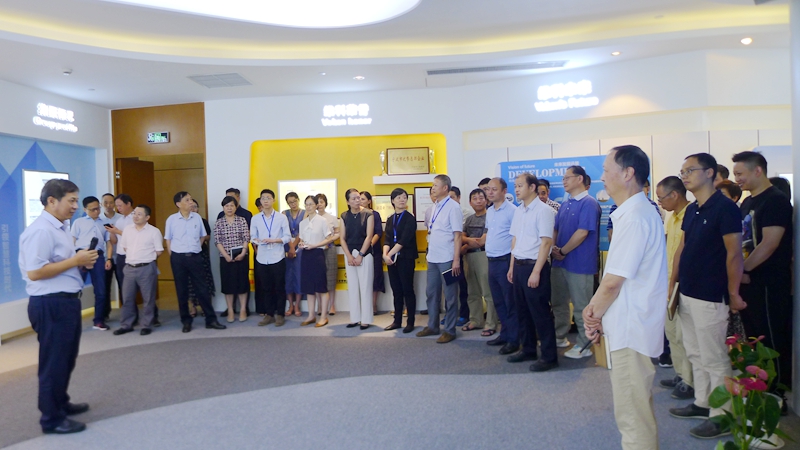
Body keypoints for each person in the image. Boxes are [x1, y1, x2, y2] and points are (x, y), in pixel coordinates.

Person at [582, 145, 667, 450]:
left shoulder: (634, 218)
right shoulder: (634, 213)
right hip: (630, 324)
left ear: (628, 173)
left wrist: (591, 314)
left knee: (632, 415)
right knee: (634, 408)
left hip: (632, 328)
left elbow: (612, 283)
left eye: (607, 170)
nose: (602, 177)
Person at [668, 153, 745, 439]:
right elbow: (683, 247)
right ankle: (703, 402)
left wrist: (734, 292)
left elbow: (734, 253)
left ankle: (723, 415)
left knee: (714, 357)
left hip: (711, 294)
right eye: (683, 171)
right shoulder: (692, 209)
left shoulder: (725, 208)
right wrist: (673, 282)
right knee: (695, 352)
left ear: (710, 172)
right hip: (687, 291)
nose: (685, 176)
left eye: (690, 170)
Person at [20, 179, 98, 435]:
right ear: (52, 201)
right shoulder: (41, 231)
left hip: (65, 302)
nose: (76, 206)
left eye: (76, 200)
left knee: (65, 359)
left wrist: (79, 261)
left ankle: (60, 403)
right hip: (50, 304)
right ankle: (51, 419)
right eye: (71, 200)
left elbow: (58, 263)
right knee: (53, 363)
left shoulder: (60, 227)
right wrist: (75, 260)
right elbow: (35, 272)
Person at [734, 151, 793, 394]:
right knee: (753, 339)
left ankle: (776, 394)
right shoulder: (747, 202)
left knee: (771, 338)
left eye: (740, 173)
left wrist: (744, 268)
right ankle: (758, 391)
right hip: (748, 282)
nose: (737, 179)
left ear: (757, 170)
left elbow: (769, 243)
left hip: (769, 283)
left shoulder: (776, 200)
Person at [508, 172, 558, 372]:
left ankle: (549, 356)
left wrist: (536, 271)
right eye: (515, 186)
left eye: (520, 185)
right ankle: (528, 349)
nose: (517, 189)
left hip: (535, 266)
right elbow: (515, 240)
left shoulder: (544, 211)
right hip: (519, 266)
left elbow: (546, 243)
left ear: (532, 187)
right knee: (522, 311)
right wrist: (511, 267)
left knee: (540, 313)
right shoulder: (519, 210)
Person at [550, 165, 601, 358]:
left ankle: (584, 344)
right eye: (563, 178)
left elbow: (582, 233)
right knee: (558, 303)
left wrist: (562, 250)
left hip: (580, 264)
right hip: (559, 263)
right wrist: (554, 248)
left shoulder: (589, 203)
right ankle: (559, 336)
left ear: (580, 179)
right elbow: (555, 228)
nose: (564, 181)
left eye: (567, 177)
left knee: (582, 306)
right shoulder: (565, 204)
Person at [654, 176, 695, 401]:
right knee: (671, 333)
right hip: (668, 283)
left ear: (675, 195)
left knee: (683, 335)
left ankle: (690, 382)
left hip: (682, 285)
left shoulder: (691, 215)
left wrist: (673, 282)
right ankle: (680, 374)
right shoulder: (672, 217)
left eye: (661, 198)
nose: (659, 202)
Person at [165, 191, 227, 333]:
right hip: (178, 258)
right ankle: (186, 321)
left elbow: (203, 236)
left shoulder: (197, 218)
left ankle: (211, 320)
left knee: (202, 289)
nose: (191, 202)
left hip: (195, 257)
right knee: (182, 290)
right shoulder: (172, 220)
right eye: (187, 200)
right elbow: (168, 239)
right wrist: (172, 255)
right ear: (178, 204)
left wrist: (196, 248)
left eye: (191, 199)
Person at [417, 175, 463, 343]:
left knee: (450, 296)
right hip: (433, 258)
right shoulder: (435, 206)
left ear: (445, 188)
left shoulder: (453, 207)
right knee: (431, 293)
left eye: (436, 185)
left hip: (447, 258)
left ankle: (450, 330)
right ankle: (433, 325)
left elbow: (458, 236)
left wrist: (456, 260)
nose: (433, 188)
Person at [113, 205, 163, 336]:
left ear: (147, 217)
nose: (135, 216)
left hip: (146, 268)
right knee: (127, 298)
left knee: (148, 298)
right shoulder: (127, 230)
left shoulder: (154, 231)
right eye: (134, 213)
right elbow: (124, 247)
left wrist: (146, 258)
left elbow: (159, 251)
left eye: (139, 214)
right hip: (129, 268)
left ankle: (146, 325)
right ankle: (126, 325)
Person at [484, 177, 519, 354]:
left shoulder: (513, 211)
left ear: (504, 191)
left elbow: (516, 239)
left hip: (505, 261)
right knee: (498, 301)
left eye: (494, 189)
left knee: (510, 302)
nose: (490, 192)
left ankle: (514, 339)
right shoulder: (490, 211)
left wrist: (512, 266)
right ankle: (505, 334)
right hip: (491, 261)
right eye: (488, 189)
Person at [71, 196, 113, 331]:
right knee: (75, 289)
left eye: (98, 208)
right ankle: (71, 320)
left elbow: (109, 243)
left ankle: (99, 320)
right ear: (85, 209)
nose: (96, 211)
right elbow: (72, 241)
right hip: (81, 255)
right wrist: (74, 258)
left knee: (101, 290)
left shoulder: (105, 223)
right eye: (93, 209)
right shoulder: (78, 222)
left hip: (98, 257)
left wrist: (109, 259)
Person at [250, 189, 291, 326]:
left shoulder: (281, 217)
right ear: (260, 201)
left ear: (273, 200)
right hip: (262, 257)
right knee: (265, 287)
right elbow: (252, 237)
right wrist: (256, 240)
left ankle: (280, 314)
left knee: (279, 287)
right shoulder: (255, 218)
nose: (266, 200)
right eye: (263, 198)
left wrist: (275, 240)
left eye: (268, 198)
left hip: (277, 256)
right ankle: (269, 314)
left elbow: (287, 237)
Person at [460, 188, 497, 335]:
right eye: (474, 198)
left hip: (484, 255)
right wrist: (469, 241)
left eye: (481, 198)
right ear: (470, 202)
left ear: (486, 200)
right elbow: (462, 236)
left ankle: (491, 323)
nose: (478, 201)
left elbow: (483, 241)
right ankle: (476, 320)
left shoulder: (490, 216)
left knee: (488, 292)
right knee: (472, 291)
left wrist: (467, 243)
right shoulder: (469, 219)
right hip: (469, 257)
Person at [382, 188, 418, 333]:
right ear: (392, 201)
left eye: (404, 197)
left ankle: (410, 322)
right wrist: (385, 254)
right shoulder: (390, 219)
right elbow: (387, 239)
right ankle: (397, 321)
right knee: (396, 290)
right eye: (398, 197)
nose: (402, 200)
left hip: (406, 258)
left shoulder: (410, 218)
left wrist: (389, 254)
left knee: (407, 289)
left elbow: (404, 239)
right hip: (392, 260)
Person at [341, 188, 375, 329]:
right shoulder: (344, 216)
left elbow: (369, 236)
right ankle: (354, 318)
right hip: (349, 254)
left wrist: (360, 255)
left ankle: (366, 319)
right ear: (348, 201)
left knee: (365, 287)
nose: (357, 200)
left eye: (358, 198)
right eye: (354, 198)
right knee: (353, 287)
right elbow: (342, 238)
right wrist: (349, 256)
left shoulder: (368, 214)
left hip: (365, 254)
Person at [299, 195, 335, 327]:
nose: (308, 207)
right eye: (306, 204)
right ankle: (311, 315)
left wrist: (315, 245)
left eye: (311, 204)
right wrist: (301, 244)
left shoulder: (322, 220)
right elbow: (302, 239)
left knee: (321, 286)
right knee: (309, 287)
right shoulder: (303, 223)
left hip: (318, 254)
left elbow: (329, 238)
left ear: (316, 205)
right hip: (305, 255)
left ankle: (324, 317)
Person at [214, 196, 251, 323]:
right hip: (225, 258)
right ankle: (230, 310)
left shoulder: (242, 220)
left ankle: (243, 310)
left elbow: (246, 238)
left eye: (232, 206)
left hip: (241, 257)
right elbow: (217, 241)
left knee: (242, 283)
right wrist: (226, 256)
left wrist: (243, 252)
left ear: (236, 207)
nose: (229, 208)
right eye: (226, 206)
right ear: (223, 208)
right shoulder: (219, 222)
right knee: (228, 284)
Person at [186, 199, 215, 317]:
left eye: (195, 206)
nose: (193, 209)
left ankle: (205, 307)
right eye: (191, 206)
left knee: (205, 279)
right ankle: (192, 307)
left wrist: (199, 239)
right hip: (187, 253)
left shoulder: (202, 221)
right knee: (189, 280)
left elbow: (208, 236)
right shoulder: (183, 221)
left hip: (201, 253)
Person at [360, 190, 386, 314]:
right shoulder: (355, 215)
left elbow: (378, 232)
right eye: (359, 199)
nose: (360, 201)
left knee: (375, 278)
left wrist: (369, 245)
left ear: (369, 201)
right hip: (358, 251)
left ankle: (373, 305)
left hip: (373, 250)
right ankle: (364, 305)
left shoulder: (374, 214)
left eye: (363, 199)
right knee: (362, 279)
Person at [448, 185, 470, 327]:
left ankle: (464, 314)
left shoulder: (466, 213)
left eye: (452, 197)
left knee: (463, 286)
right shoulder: (442, 211)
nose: (449, 201)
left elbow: (462, 235)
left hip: (461, 254)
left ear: (459, 198)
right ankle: (451, 315)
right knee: (449, 287)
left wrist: (461, 249)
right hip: (447, 255)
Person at [316, 193, 340, 315]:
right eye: (317, 202)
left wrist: (329, 240)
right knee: (317, 278)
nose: (319, 204)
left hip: (330, 248)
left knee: (331, 277)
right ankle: (320, 306)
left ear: (325, 203)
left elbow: (337, 233)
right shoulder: (312, 218)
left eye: (322, 202)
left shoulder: (332, 218)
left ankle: (332, 305)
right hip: (316, 250)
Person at [98, 193, 120, 319]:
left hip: (121, 257)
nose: (108, 205)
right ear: (101, 204)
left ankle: (128, 313)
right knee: (105, 287)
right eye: (105, 202)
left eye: (111, 202)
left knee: (124, 285)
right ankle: (105, 313)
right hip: (105, 258)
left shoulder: (121, 218)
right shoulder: (98, 219)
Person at [283, 192, 304, 317]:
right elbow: (283, 231)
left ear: (298, 200)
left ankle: (297, 305)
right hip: (286, 246)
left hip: (300, 247)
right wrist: (290, 247)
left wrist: (294, 246)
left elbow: (302, 231)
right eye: (290, 202)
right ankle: (290, 305)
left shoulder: (304, 213)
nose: (293, 204)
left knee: (298, 275)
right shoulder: (284, 214)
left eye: (295, 201)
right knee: (288, 276)